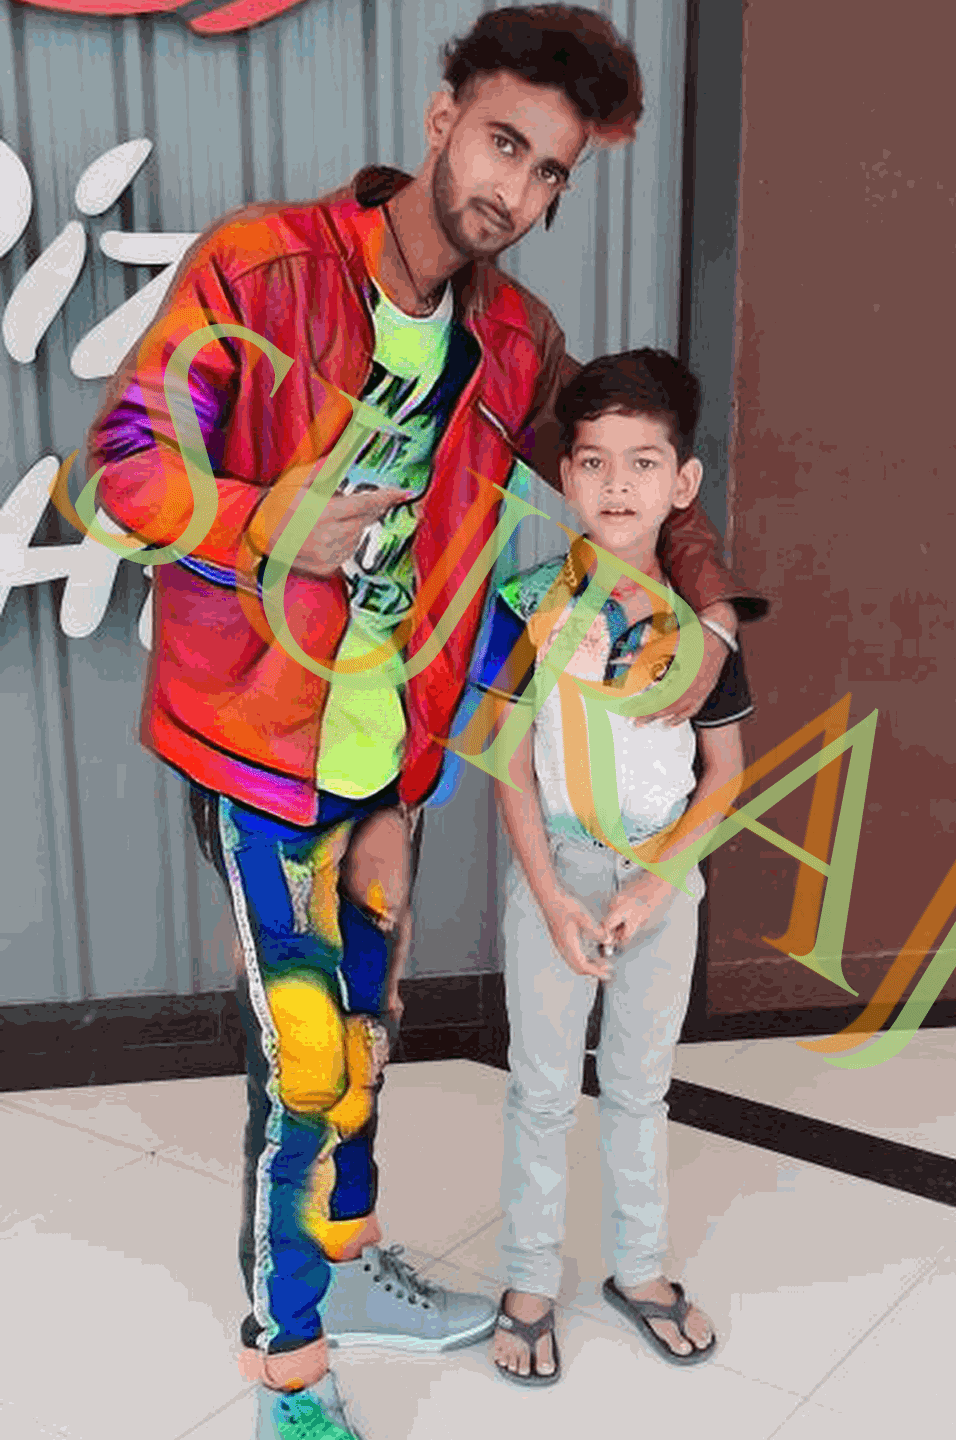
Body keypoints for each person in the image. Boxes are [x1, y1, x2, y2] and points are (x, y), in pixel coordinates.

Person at [85, 8, 762, 1436]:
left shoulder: (516, 342)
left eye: (551, 170)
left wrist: (704, 602)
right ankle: (288, 1367)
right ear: (443, 113)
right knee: (307, 1061)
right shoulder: (263, 267)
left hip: (390, 760)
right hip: (259, 744)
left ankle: (348, 1261)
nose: (517, 190)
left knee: (369, 1029)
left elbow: (620, 481)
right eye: (504, 142)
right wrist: (268, 520)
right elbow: (121, 468)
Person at [476, 349, 751, 1384]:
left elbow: (725, 775)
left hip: (661, 883)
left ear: (682, 483)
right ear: (565, 477)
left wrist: (659, 880)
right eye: (593, 462)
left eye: (643, 463)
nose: (617, 485)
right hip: (554, 875)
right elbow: (506, 762)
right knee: (543, 1090)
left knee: (639, 1087)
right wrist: (550, 895)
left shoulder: (704, 637)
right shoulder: (526, 606)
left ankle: (639, 1270)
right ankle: (527, 1281)